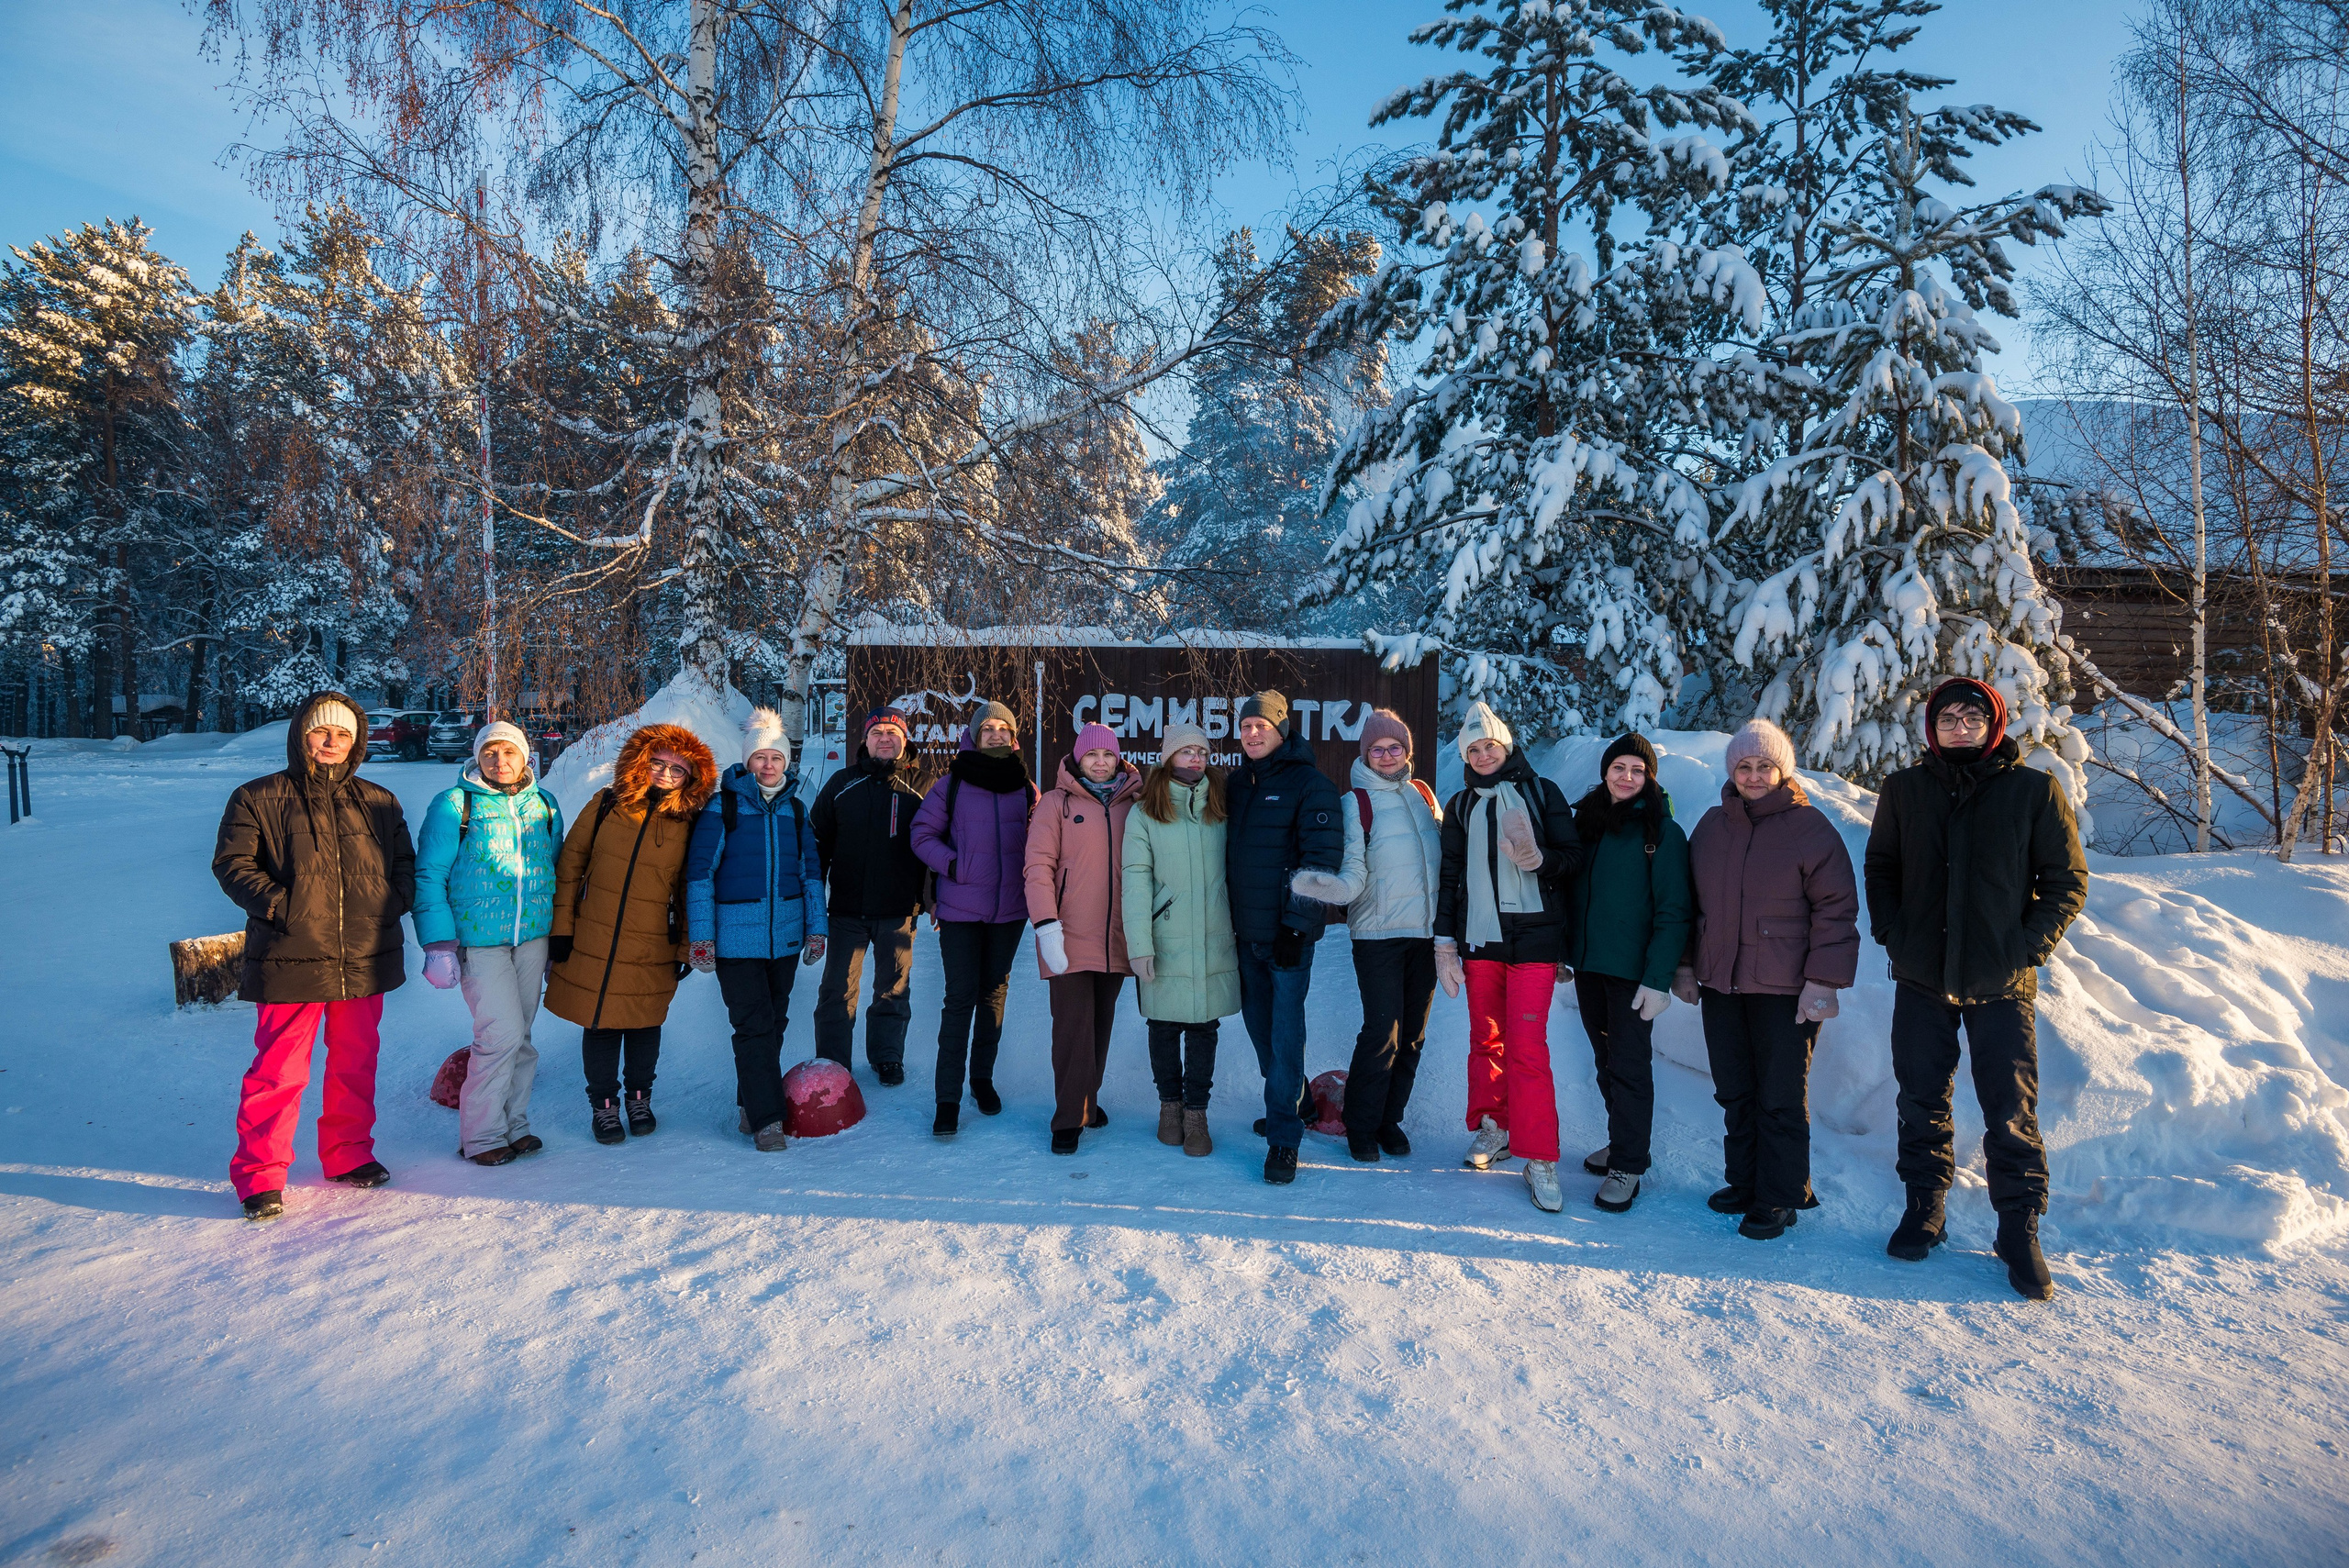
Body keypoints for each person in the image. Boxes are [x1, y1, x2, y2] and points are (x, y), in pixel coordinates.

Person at [1864, 677, 2087, 1300]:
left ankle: (2018, 1228)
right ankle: (1925, 1208)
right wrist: (1893, 931)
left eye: (1971, 717)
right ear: (1930, 726)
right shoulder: (1904, 790)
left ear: (1995, 725)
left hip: (2001, 984)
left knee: (2010, 1111)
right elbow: (1881, 865)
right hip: (1922, 977)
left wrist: (2024, 948)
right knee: (1921, 1098)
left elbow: (2066, 881)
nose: (1959, 727)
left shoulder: (2033, 790)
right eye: (1948, 717)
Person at [211, 690, 417, 1221]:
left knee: (354, 1062)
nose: (332, 743)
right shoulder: (258, 796)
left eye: (344, 734)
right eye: (322, 732)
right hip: (292, 952)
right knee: (279, 1070)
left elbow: (404, 866)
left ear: (358, 741)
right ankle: (260, 1174)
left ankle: (348, 1155)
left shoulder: (379, 800)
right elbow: (233, 865)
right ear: (302, 735)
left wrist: (390, 904)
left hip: (364, 954)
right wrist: (284, 908)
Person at [1679, 718, 1858, 1240]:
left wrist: (1824, 982)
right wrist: (1687, 965)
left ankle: (1780, 1196)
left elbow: (1836, 910)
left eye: (1765, 766)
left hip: (1785, 989)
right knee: (1735, 1089)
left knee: (1779, 1094)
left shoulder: (1810, 828)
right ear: (1731, 771)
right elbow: (1692, 905)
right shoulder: (1713, 825)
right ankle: (1745, 1181)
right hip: (1722, 983)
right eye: (1744, 766)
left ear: (1784, 771)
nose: (1754, 776)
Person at [1433, 702, 1582, 1213]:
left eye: (1488, 745)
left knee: (1527, 1048)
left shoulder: (1543, 794)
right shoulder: (1460, 806)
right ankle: (1493, 1127)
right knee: (1485, 1040)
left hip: (1535, 943)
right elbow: (1449, 879)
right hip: (1480, 943)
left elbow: (1573, 858)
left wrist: (1542, 862)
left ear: (1506, 745)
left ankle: (1539, 1156)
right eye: (1472, 749)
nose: (1481, 754)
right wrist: (1444, 942)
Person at [545, 722, 718, 1145]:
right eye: (657, 763)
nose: (665, 774)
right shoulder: (606, 804)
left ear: (691, 778)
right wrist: (562, 930)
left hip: (652, 942)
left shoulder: (689, 821)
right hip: (595, 937)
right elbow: (570, 867)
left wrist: (685, 946)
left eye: (677, 770)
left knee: (644, 1024)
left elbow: (690, 887)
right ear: (640, 762)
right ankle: (604, 1106)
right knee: (600, 1022)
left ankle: (639, 1099)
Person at [1289, 708, 1443, 1163]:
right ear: (1366, 754)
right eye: (1377, 749)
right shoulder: (1355, 803)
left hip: (1426, 935)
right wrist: (1334, 889)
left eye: (1395, 747)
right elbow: (1353, 870)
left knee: (1413, 1034)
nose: (1387, 755)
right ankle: (1360, 1123)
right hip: (1378, 935)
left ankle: (1388, 1120)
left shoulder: (1423, 794)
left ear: (1407, 751)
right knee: (1383, 1031)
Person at [413, 718, 566, 1167]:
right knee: (498, 1035)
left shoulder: (545, 804)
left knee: (522, 1038)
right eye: (490, 753)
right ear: (477, 758)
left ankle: (514, 1125)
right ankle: (481, 1136)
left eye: (510, 752)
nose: (500, 761)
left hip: (532, 937)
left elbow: (552, 867)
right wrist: (438, 944)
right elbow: (430, 874)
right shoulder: (454, 805)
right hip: (479, 941)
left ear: (525, 756)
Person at [1559, 733, 1693, 1214]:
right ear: (1606, 771)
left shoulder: (1662, 833)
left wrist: (1659, 978)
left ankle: (1629, 1165)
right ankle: (1622, 1143)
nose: (1627, 777)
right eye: (1619, 768)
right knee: (1605, 1062)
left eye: (1637, 770)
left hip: (1634, 975)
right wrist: (1562, 951)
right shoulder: (1588, 823)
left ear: (1649, 776)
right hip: (1591, 966)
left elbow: (1674, 911)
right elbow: (1568, 893)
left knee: (1630, 1068)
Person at [685, 708, 829, 1152]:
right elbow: (700, 874)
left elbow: (810, 874)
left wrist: (816, 928)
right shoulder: (723, 806)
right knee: (753, 1027)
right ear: (748, 762)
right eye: (760, 757)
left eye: (776, 758)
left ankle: (750, 1102)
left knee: (775, 1023)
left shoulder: (797, 809)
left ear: (786, 763)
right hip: (735, 939)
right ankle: (768, 1120)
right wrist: (703, 937)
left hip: (783, 937)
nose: (768, 765)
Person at [1224, 690, 1344, 1185]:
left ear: (1282, 730)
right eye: (1247, 726)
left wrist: (1297, 924)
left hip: (1287, 936)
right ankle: (1291, 1101)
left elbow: (1321, 860)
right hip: (1244, 933)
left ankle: (1283, 1140)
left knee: (1285, 1033)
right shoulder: (1235, 784)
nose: (1253, 734)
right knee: (1259, 1028)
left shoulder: (1310, 785)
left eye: (1262, 727)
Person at [912, 700, 1037, 1137]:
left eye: (1004, 728)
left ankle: (982, 1081)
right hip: (961, 909)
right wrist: (954, 867)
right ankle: (947, 1099)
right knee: (960, 998)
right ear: (974, 736)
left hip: (1010, 910)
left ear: (1014, 736)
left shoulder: (1026, 788)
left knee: (994, 995)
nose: (997, 735)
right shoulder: (951, 784)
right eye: (989, 729)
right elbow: (922, 835)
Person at [1024, 721, 1144, 1153]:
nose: (1100, 762)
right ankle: (1067, 1118)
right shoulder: (1055, 804)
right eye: (1091, 755)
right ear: (1078, 759)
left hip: (1117, 935)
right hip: (1068, 933)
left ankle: (1087, 1101)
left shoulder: (1135, 801)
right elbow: (1038, 868)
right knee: (1073, 1027)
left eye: (1108, 755)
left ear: (1118, 759)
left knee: (1100, 1024)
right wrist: (1045, 925)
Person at [1121, 722, 1240, 1159]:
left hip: (1213, 934)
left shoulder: (1222, 803)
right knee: (1164, 1026)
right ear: (1168, 756)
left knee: (1205, 1028)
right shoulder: (1145, 812)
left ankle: (1196, 1115)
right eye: (1186, 751)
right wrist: (1140, 944)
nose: (1195, 758)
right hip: (1164, 935)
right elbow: (1135, 881)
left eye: (1202, 752)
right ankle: (1169, 1110)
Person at [810, 708, 927, 1084]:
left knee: (893, 989)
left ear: (904, 740)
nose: (885, 739)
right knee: (836, 991)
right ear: (866, 739)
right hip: (846, 909)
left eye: (893, 733)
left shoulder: (922, 786)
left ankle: (887, 1057)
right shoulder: (842, 783)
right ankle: (832, 1063)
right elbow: (817, 844)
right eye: (877, 732)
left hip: (898, 910)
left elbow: (938, 845)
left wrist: (929, 897)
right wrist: (814, 899)